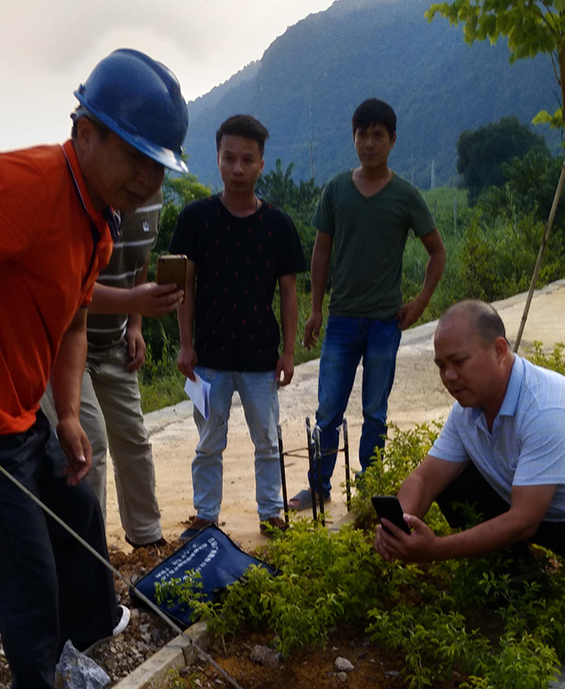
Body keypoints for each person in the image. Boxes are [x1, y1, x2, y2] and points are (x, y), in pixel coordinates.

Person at [0, 49, 189, 689]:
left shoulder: (97, 227)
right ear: (85, 132)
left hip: (22, 411)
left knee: (77, 506)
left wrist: (65, 417)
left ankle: (88, 635)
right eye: (134, 157)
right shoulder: (30, 183)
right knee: (24, 575)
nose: (146, 179)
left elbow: (73, 324)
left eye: (157, 166)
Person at [374, 300, 565, 689]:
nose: (449, 377)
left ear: (500, 350)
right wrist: (399, 522)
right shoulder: (468, 412)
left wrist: (434, 550)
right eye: (440, 366)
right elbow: (427, 478)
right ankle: (524, 588)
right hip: (548, 515)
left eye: (459, 362)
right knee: (456, 483)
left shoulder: (547, 406)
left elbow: (523, 520)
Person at [291, 97, 446, 512]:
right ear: (354, 138)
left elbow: (437, 252)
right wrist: (316, 309)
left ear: (392, 140)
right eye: (362, 134)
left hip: (384, 322)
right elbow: (321, 252)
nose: (369, 142)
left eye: (378, 134)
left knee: (375, 410)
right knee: (328, 410)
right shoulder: (337, 190)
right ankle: (318, 486)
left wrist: (420, 302)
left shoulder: (406, 196)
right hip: (341, 319)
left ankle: (368, 488)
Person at [169, 113, 307, 538]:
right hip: (208, 360)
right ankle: (206, 518)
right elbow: (183, 286)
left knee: (267, 441)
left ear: (261, 163)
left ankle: (271, 514)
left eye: (247, 159)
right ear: (218, 158)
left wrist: (287, 351)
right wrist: (185, 344)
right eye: (229, 158)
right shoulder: (196, 219)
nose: (238, 168)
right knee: (209, 443)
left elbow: (288, 292)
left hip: (260, 360)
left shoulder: (279, 226)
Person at [42, 188, 174, 549]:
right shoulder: (79, 197)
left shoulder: (152, 196)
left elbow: (139, 259)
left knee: (133, 437)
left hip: (114, 342)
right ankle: (90, 550)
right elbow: (70, 287)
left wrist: (135, 323)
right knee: (90, 444)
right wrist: (134, 300)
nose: (149, 175)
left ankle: (147, 537)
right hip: (64, 346)